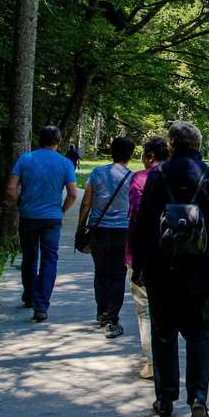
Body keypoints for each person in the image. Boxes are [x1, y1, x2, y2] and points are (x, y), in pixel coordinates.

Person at [130, 120, 209, 417]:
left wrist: (140, 266)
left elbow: (145, 224)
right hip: (200, 273)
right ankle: (198, 399)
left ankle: (165, 399)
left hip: (163, 271)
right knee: (199, 334)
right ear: (198, 145)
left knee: (163, 333)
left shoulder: (158, 176)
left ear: (171, 144)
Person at [6, 125, 78, 324]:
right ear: (59, 141)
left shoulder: (25, 159)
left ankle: (29, 296)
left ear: (39, 139)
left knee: (29, 257)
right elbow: (73, 194)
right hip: (52, 219)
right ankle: (41, 305)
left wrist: (20, 204)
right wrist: (61, 211)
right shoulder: (65, 163)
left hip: (28, 217)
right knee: (49, 260)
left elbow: (11, 188)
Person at [77, 136, 134, 338]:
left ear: (111, 151)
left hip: (98, 229)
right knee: (118, 274)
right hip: (123, 231)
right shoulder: (132, 177)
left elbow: (86, 203)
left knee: (101, 272)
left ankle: (102, 312)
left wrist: (80, 226)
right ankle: (112, 317)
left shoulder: (97, 172)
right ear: (131, 155)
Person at [126, 137, 168, 380]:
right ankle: (167, 359)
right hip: (175, 254)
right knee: (168, 308)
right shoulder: (177, 176)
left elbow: (136, 214)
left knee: (145, 309)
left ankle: (153, 363)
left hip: (142, 253)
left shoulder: (141, 178)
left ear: (150, 156)